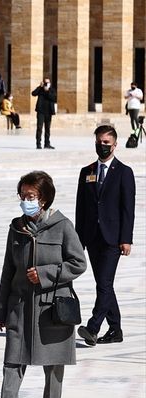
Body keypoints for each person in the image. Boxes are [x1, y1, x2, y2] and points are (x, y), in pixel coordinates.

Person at [0, 171, 86, 398]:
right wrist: (1, 310)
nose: (25, 201)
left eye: (30, 196)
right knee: (13, 357)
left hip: (51, 307)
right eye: (22, 195)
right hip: (20, 305)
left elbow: (78, 263)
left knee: (53, 363)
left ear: (43, 198)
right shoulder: (16, 228)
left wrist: (45, 274)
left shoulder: (62, 226)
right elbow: (8, 270)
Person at [75, 125, 136, 347]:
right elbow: (81, 207)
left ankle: (93, 327)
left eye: (106, 143)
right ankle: (115, 329)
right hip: (92, 237)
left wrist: (126, 239)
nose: (102, 146)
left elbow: (128, 209)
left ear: (115, 145)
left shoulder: (124, 172)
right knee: (104, 284)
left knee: (104, 283)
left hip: (113, 238)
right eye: (99, 142)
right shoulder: (87, 171)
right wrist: (78, 239)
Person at [32, 78, 57, 149]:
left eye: (48, 83)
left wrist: (48, 90)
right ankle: (38, 144)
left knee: (47, 128)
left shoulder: (52, 90)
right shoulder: (40, 89)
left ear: (50, 83)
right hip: (41, 111)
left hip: (49, 112)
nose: (46, 84)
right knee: (39, 128)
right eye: (45, 83)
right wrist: (40, 86)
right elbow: (33, 93)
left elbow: (54, 98)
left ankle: (47, 144)